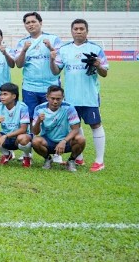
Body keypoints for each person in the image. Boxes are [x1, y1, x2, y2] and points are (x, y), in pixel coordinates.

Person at [51, 18, 109, 172]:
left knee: (95, 125)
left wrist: (98, 65)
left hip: (89, 97)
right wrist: (52, 60)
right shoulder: (64, 50)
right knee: (75, 127)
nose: (78, 31)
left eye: (81, 29)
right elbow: (56, 71)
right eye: (75, 29)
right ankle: (79, 158)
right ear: (71, 31)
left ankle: (99, 161)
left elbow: (104, 73)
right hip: (70, 98)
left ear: (86, 31)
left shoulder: (96, 49)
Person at [14, 11, 63, 118]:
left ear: (40, 23)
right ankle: (33, 135)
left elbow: (59, 64)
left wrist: (50, 48)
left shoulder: (53, 39)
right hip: (30, 88)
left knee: (52, 117)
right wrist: (24, 50)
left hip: (51, 87)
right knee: (31, 118)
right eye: (27, 23)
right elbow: (18, 64)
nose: (30, 25)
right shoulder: (22, 43)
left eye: (33, 21)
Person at [31, 86, 85, 172]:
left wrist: (64, 141)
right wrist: (38, 121)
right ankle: (48, 159)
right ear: (47, 97)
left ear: (63, 98)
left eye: (58, 99)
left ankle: (71, 161)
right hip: (48, 141)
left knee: (80, 139)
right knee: (35, 141)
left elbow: (76, 129)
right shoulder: (39, 109)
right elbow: (35, 132)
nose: (55, 101)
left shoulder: (69, 108)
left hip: (66, 141)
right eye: (52, 98)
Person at [0, 83, 33, 167]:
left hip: (19, 136)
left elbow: (23, 129)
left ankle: (26, 156)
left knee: (23, 138)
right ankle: (7, 154)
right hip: (6, 136)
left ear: (14, 96)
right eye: (1, 94)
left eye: (5, 94)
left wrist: (5, 136)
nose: (1, 97)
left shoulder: (22, 107)